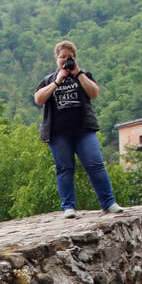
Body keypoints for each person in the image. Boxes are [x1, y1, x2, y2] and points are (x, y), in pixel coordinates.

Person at [34, 40, 124, 219]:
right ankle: (68, 207)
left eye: (70, 57)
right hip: (58, 132)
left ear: (75, 59)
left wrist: (79, 73)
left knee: (95, 164)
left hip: (84, 129)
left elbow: (94, 93)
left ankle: (108, 203)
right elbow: (39, 99)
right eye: (62, 57)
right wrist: (57, 82)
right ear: (56, 59)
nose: (66, 60)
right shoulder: (49, 80)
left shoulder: (83, 75)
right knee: (65, 168)